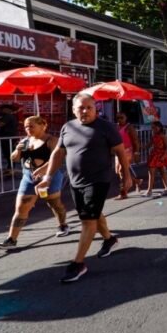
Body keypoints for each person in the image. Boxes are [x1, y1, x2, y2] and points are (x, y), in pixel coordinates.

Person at [37, 93, 131, 283]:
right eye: (81, 107)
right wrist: (47, 176)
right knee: (91, 215)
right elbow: (58, 153)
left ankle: (78, 264)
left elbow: (121, 151)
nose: (85, 111)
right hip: (76, 181)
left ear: (96, 109)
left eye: (89, 107)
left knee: (88, 220)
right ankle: (109, 239)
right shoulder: (68, 127)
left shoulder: (106, 127)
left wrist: (126, 177)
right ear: (73, 110)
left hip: (99, 180)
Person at [0, 116, 70, 250]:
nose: (28, 129)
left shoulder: (52, 140)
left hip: (49, 177)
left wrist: (44, 169)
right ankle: (11, 239)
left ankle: (63, 224)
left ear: (43, 126)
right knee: (22, 207)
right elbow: (14, 159)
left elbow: (58, 159)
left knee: (54, 203)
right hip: (29, 177)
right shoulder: (25, 141)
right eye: (26, 127)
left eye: (31, 126)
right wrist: (18, 149)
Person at [115, 112, 141, 199]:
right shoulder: (116, 126)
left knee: (122, 170)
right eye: (118, 118)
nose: (119, 119)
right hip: (118, 151)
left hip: (127, 151)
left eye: (121, 117)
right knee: (119, 171)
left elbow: (135, 140)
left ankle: (123, 192)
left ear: (126, 118)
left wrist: (136, 152)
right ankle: (136, 181)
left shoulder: (129, 127)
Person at [145, 121, 167, 197]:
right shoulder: (153, 136)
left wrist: (164, 156)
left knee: (162, 172)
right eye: (152, 127)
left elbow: (166, 147)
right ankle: (149, 190)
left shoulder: (163, 136)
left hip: (161, 155)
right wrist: (139, 147)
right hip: (154, 155)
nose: (154, 129)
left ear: (160, 127)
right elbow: (149, 144)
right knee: (151, 172)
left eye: (155, 127)